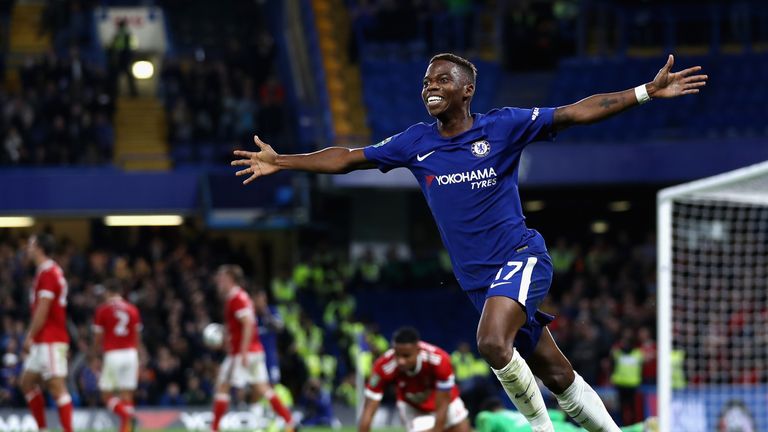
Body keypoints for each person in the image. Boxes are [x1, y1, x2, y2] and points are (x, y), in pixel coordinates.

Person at [231, 52, 707, 432]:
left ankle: (541, 430)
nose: (429, 87)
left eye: (440, 80)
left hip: (521, 257)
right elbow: (348, 158)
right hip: (479, 282)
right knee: (558, 375)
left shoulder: (503, 125)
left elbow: (576, 112)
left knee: (490, 341)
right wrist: (283, 161)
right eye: (425, 82)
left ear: (466, 89)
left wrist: (646, 91)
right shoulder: (417, 143)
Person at [210, 265, 295, 432]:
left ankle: (214, 428)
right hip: (254, 350)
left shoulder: (236, 298)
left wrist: (242, 351)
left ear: (230, 279)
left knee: (223, 385)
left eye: (221, 279)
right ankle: (289, 421)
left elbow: (248, 323)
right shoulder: (241, 297)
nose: (218, 282)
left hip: (243, 353)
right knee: (263, 388)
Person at [358, 327, 471, 432]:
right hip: (413, 408)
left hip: (445, 403)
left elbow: (444, 402)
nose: (401, 361)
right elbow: (368, 410)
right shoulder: (383, 366)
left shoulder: (439, 360)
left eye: (406, 356)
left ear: (418, 350)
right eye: (397, 355)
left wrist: (437, 429)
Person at [20, 233, 74, 432]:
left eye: (31, 244)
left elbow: (43, 309)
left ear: (40, 248)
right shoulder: (46, 271)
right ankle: (42, 429)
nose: (28, 247)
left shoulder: (49, 273)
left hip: (50, 339)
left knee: (57, 386)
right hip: (44, 339)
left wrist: (29, 335)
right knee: (26, 382)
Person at [92, 279, 142, 432]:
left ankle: (126, 414)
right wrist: (137, 355)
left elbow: (98, 338)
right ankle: (126, 425)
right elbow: (137, 336)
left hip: (113, 354)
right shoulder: (133, 309)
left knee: (106, 396)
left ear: (108, 292)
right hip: (131, 353)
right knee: (127, 395)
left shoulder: (103, 310)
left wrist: (95, 356)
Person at [475, 398, 652, 432]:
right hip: (560, 427)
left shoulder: (490, 417)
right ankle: (642, 427)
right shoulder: (521, 413)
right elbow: (559, 415)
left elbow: (483, 420)